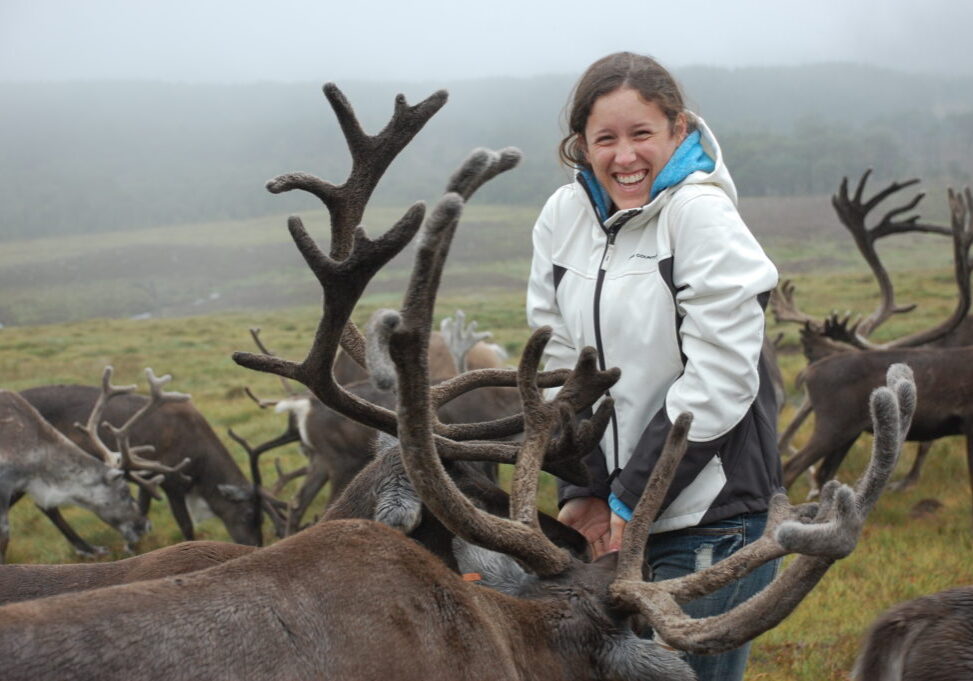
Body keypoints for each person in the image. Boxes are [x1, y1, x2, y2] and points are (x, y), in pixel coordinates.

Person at [526, 51, 782, 681]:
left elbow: (719, 381)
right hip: (609, 520)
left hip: (709, 519)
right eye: (604, 139)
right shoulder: (563, 218)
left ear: (678, 129)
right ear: (580, 145)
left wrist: (629, 494)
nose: (625, 156)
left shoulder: (701, 216)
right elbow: (558, 364)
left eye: (642, 134)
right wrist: (583, 489)